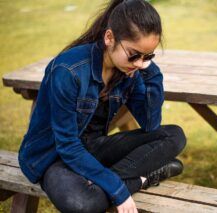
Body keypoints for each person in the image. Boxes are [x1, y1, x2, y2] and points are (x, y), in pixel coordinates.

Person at [18, 0, 186, 212]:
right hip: (54, 157)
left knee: (174, 136)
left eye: (147, 56)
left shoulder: (130, 71)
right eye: (134, 54)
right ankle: (139, 181)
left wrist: (151, 71)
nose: (138, 63)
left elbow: (151, 124)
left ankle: (103, 181)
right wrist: (119, 190)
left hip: (94, 147)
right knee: (84, 204)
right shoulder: (69, 70)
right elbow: (67, 146)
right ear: (109, 38)